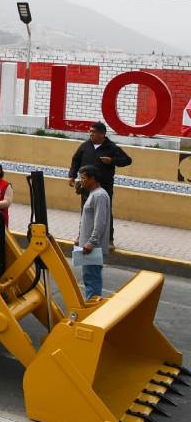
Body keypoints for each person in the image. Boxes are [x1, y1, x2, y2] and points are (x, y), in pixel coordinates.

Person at [67, 121, 131, 251]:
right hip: (87, 186)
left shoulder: (111, 148)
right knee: (85, 210)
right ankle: (81, 235)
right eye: (90, 131)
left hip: (104, 187)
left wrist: (112, 161)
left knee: (105, 212)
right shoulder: (85, 146)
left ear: (102, 134)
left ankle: (109, 240)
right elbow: (76, 160)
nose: (91, 134)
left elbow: (127, 160)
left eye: (94, 132)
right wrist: (72, 175)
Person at [75, 165, 111, 299]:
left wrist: (91, 242)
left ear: (93, 179)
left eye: (83, 178)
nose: (81, 181)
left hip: (93, 248)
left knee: (92, 279)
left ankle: (93, 308)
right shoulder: (93, 194)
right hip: (88, 246)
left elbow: (100, 222)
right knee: (89, 277)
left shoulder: (100, 195)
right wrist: (80, 237)